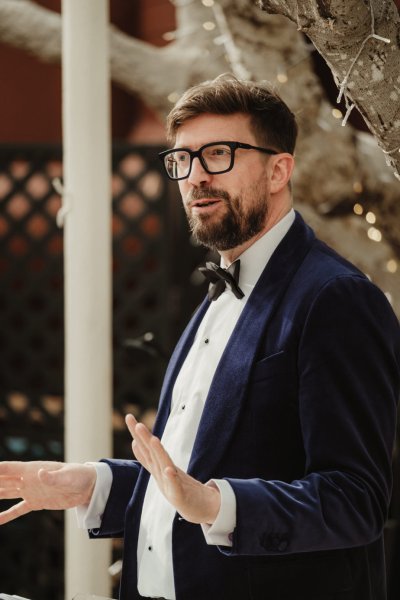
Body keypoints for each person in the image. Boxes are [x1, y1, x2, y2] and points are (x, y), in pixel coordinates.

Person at [0, 74, 399, 600]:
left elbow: (356, 501)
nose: (194, 177)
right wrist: (94, 484)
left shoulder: (336, 298)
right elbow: (192, 474)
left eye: (218, 154)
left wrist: (215, 504)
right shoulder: (215, 293)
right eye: (182, 160)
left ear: (280, 169)